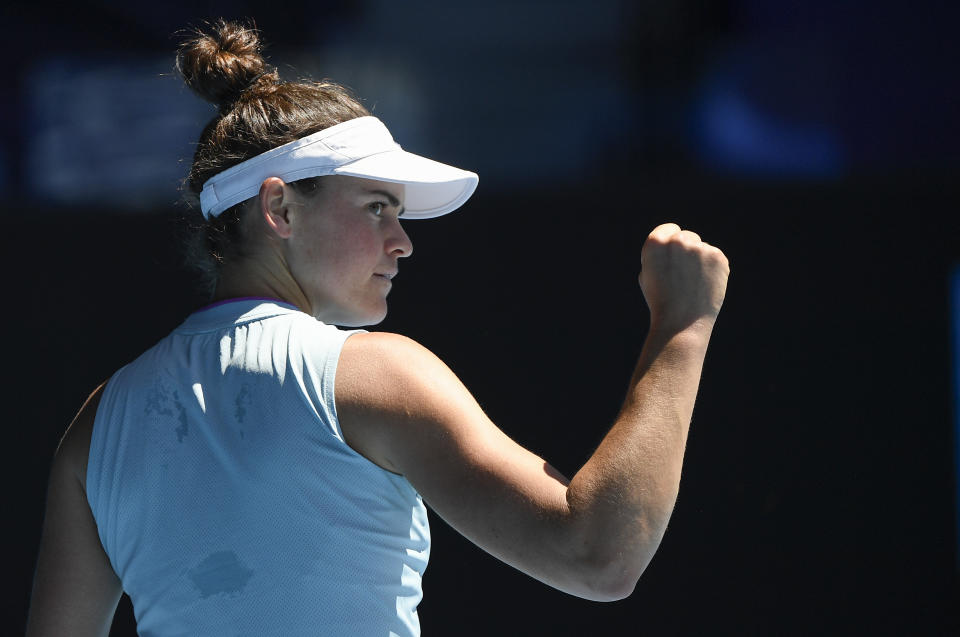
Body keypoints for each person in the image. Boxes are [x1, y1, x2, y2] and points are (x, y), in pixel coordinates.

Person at [26, 19, 730, 637]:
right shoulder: (375, 376)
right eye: (375, 208)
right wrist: (683, 327)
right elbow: (599, 556)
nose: (403, 241)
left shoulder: (93, 430)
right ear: (280, 209)